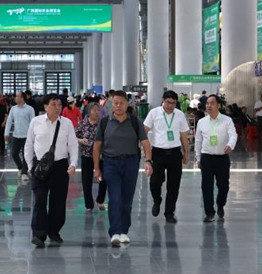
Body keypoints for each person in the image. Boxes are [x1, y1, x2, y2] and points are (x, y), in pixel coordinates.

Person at [93, 90, 153, 246]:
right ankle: (114, 232)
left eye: (121, 103)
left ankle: (124, 231)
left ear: (127, 104)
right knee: (114, 198)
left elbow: (145, 142)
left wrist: (148, 160)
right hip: (110, 163)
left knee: (126, 199)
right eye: (115, 103)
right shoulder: (105, 122)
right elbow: (97, 145)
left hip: (130, 163)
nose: (118, 105)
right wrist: (96, 168)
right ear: (111, 104)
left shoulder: (135, 122)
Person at [24, 93, 79, 247]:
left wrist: (73, 163)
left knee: (58, 201)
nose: (57, 108)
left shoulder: (67, 123)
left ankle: (54, 231)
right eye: (53, 104)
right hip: (40, 167)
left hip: (60, 167)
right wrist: (29, 166)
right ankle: (39, 234)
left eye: (59, 105)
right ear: (45, 106)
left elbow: (73, 146)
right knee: (40, 200)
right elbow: (29, 145)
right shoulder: (36, 122)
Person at [144, 90, 190, 224]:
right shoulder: (154, 113)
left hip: (175, 153)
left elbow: (184, 136)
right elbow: (144, 131)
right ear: (162, 100)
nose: (170, 105)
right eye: (168, 102)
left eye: (173, 103)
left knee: (174, 185)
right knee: (155, 182)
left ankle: (169, 212)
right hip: (158, 153)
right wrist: (146, 152)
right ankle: (157, 200)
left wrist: (186, 153)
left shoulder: (180, 115)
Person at [195, 94, 238, 223]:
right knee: (206, 186)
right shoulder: (202, 122)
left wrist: (230, 145)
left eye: (212, 103)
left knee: (223, 185)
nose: (209, 105)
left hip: (222, 158)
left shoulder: (227, 120)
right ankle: (209, 213)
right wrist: (198, 158)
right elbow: (198, 141)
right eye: (207, 103)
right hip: (206, 158)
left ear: (218, 105)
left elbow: (233, 135)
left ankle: (220, 204)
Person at [75, 103, 107, 212]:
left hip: (101, 156)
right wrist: (81, 140)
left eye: (98, 110)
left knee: (103, 179)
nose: (97, 112)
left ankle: (100, 200)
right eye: (94, 110)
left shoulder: (102, 123)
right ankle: (89, 205)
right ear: (89, 112)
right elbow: (75, 136)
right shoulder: (82, 124)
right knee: (86, 181)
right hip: (86, 155)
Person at [4, 91, 36, 181]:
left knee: (26, 154)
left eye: (17, 96)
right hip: (16, 135)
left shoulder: (30, 109)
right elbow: (9, 121)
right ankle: (20, 167)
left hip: (27, 136)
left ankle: (24, 173)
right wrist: (6, 133)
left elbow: (33, 123)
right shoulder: (13, 109)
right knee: (14, 153)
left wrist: (33, 135)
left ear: (22, 98)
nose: (15, 98)